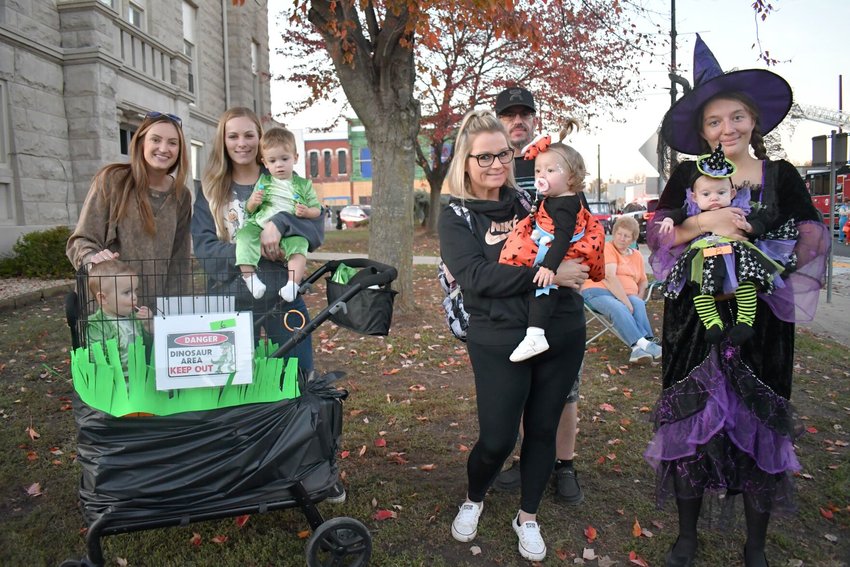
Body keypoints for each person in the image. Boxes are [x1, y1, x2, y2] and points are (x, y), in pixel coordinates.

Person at [644, 35, 829, 567]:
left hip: (760, 321)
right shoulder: (685, 176)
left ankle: (755, 546)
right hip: (694, 321)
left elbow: (813, 233)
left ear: (754, 120)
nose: (727, 129)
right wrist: (706, 221)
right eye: (714, 122)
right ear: (701, 131)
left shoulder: (783, 175)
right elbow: (659, 234)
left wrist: (763, 237)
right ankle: (686, 537)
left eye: (737, 117)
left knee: (758, 423)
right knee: (689, 420)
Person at [440, 109, 588, 561]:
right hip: (499, 336)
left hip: (560, 329)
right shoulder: (456, 216)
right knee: (498, 439)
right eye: (483, 157)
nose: (495, 164)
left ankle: (527, 515)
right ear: (464, 162)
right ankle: (474, 497)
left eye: (502, 153)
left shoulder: (531, 200)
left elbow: (576, 235)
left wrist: (562, 272)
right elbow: (477, 277)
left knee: (542, 428)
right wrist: (549, 273)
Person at [493, 86, 585, 505]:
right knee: (523, 385)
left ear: (534, 120)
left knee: (564, 390)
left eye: (524, 114)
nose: (517, 121)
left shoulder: (555, 163)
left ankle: (564, 465)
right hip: (514, 296)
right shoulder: (494, 170)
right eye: (509, 115)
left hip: (558, 295)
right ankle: (526, 459)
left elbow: (579, 223)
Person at [191, 108, 322, 374]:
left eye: (249, 135)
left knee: (296, 380)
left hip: (282, 298)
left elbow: (316, 232)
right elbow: (205, 250)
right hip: (229, 299)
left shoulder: (284, 177)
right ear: (223, 141)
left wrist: (280, 223)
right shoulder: (210, 190)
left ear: (260, 140)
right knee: (234, 387)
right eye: (233, 136)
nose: (242, 143)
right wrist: (254, 249)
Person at [659, 145, 794, 346]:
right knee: (700, 289)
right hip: (705, 259)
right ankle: (712, 323)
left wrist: (748, 227)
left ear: (732, 193)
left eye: (720, 192)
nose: (714, 198)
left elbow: (761, 223)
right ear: (695, 197)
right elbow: (676, 214)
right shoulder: (692, 211)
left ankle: (745, 322)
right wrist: (670, 220)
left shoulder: (740, 209)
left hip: (737, 255)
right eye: (706, 194)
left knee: (746, 283)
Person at [499, 124, 604, 361]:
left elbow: (563, 237)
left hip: (558, 253)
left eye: (550, 170)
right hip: (550, 246)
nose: (541, 177)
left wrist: (548, 267)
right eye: (538, 171)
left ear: (572, 178)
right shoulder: (553, 198)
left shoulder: (566, 204)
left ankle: (535, 334)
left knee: (543, 286)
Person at [66, 111, 192, 303]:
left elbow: (179, 262)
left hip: (150, 309)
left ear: (180, 150)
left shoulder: (181, 195)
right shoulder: (112, 180)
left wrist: (173, 309)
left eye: (172, 143)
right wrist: (92, 258)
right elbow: (81, 241)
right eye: (155, 140)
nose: (163, 148)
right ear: (142, 143)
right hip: (107, 307)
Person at [236, 127, 322, 302]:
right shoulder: (264, 181)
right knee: (243, 237)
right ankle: (250, 278)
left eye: (284, 158)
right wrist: (254, 201)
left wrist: (306, 212)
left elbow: (317, 209)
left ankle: (292, 284)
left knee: (300, 244)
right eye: (273, 160)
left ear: (295, 158)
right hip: (259, 223)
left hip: (289, 230)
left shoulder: (303, 185)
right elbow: (249, 209)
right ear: (265, 163)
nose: (279, 165)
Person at [582, 215, 662, 364]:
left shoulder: (637, 255)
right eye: (619, 234)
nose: (622, 238)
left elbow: (643, 280)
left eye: (627, 236)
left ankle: (637, 351)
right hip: (597, 290)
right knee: (620, 306)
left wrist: (638, 296)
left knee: (638, 304)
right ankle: (646, 345)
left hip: (623, 294)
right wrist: (626, 301)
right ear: (614, 233)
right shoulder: (607, 248)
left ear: (633, 239)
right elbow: (609, 277)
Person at [86, 260, 152, 371]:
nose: (134, 297)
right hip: (115, 383)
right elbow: (95, 359)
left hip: (140, 378)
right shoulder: (96, 325)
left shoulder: (135, 319)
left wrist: (147, 325)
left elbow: (149, 348)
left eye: (135, 291)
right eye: (127, 292)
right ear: (103, 298)